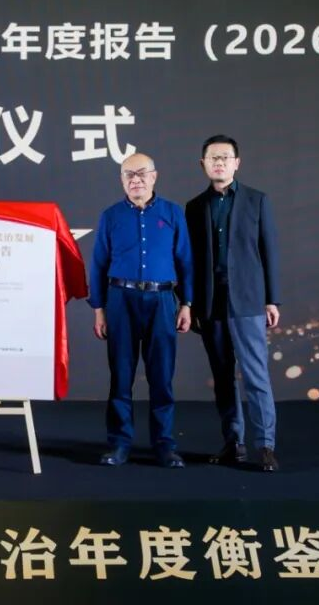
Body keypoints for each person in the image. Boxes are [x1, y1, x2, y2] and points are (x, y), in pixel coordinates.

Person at [89, 152, 193, 468]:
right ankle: (120, 444)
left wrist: (186, 304)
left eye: (141, 173)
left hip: (162, 300)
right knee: (121, 376)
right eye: (128, 175)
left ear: (154, 176)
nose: (135, 180)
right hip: (120, 299)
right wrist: (99, 309)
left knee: (162, 377)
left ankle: (164, 445)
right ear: (122, 180)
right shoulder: (110, 216)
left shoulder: (172, 213)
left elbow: (185, 262)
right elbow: (98, 264)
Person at [185, 135, 281, 472]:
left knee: (256, 376)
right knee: (223, 376)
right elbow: (191, 260)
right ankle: (233, 443)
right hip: (211, 303)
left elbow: (269, 251)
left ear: (236, 163)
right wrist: (190, 303)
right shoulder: (195, 207)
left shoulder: (257, 200)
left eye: (225, 157)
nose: (219, 162)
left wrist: (272, 299)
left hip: (249, 301)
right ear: (203, 164)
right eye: (213, 157)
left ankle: (265, 446)